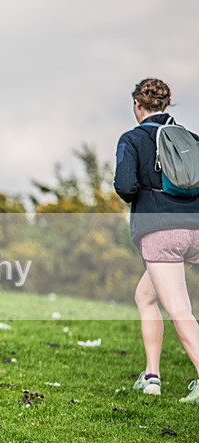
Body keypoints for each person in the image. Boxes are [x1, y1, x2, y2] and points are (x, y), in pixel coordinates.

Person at [113, 78, 199, 403]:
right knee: (145, 297)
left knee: (179, 309)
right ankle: (151, 377)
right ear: (166, 104)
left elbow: (125, 186)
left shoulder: (132, 139)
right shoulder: (191, 138)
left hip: (162, 233)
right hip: (195, 229)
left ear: (138, 105)